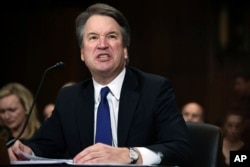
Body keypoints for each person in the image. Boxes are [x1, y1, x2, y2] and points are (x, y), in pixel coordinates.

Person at [8, 3, 192, 166]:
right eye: (93, 37)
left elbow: (180, 147)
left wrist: (130, 154)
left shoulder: (154, 89)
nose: (102, 44)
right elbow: (45, 144)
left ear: (125, 50)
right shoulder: (70, 97)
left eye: (111, 36)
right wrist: (25, 151)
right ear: (82, 53)